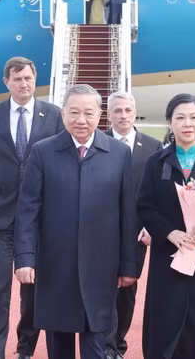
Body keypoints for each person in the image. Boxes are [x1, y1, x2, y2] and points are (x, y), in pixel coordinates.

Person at [14, 84, 138, 359]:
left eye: (88, 113)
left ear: (99, 115)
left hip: (101, 266)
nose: (81, 120)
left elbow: (127, 213)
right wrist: (24, 258)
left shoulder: (118, 154)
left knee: (96, 340)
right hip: (55, 264)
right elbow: (28, 210)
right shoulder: (43, 152)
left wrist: (129, 265)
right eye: (74, 112)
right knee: (58, 342)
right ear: (62, 113)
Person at [0, 57, 64, 359]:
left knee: (32, 291)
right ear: (7, 82)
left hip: (39, 219)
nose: (24, 84)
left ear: (35, 79)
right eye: (17, 79)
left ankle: (25, 348)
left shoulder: (53, 115)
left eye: (28, 78)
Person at [136, 93, 195, 358]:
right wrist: (169, 232)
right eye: (180, 118)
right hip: (168, 257)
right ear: (169, 122)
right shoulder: (157, 162)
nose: (187, 123)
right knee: (165, 325)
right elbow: (144, 206)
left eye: (193, 117)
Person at [104, 91, 163, 359]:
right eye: (117, 111)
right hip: (102, 228)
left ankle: (119, 342)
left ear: (134, 111)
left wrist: (153, 225)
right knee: (104, 286)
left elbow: (160, 190)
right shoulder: (98, 140)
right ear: (109, 114)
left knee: (128, 288)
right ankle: (106, 346)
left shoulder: (152, 146)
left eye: (127, 110)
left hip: (137, 231)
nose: (123, 115)